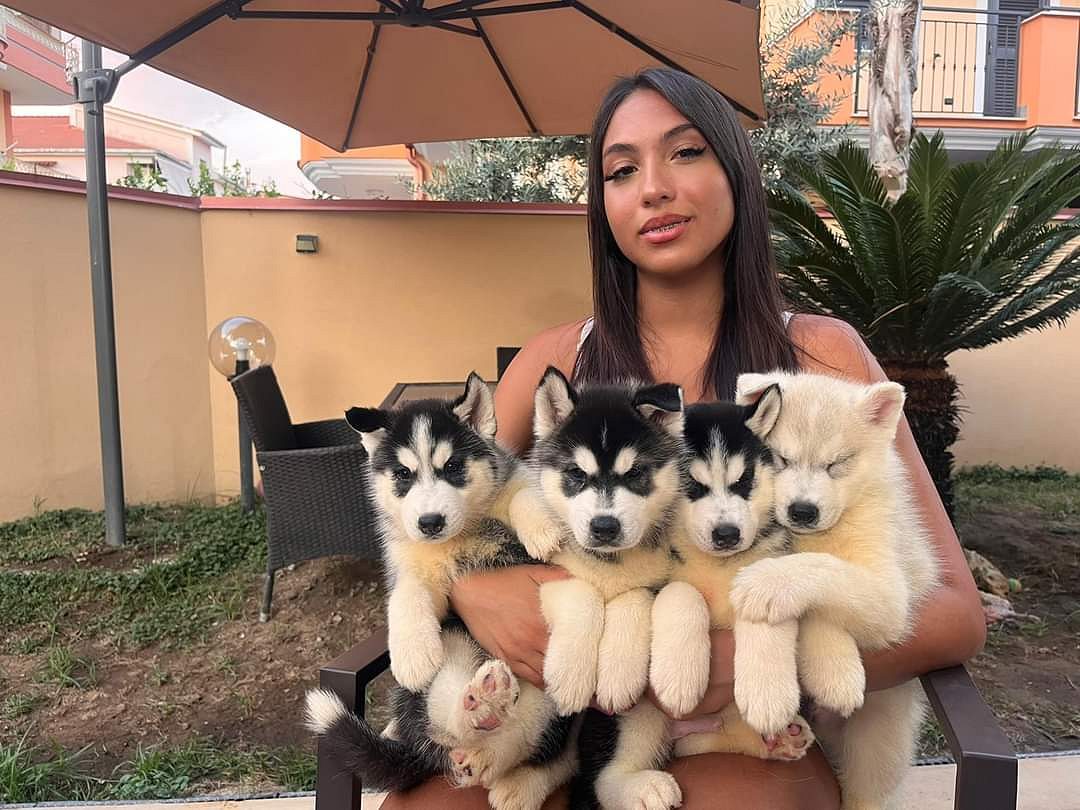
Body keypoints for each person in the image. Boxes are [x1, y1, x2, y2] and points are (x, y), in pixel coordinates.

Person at [381, 67, 985, 810]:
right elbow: (428, 509)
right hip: (556, 718)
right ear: (602, 204)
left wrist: (750, 658)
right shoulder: (554, 362)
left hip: (739, 727)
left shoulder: (820, 361)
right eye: (621, 170)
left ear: (736, 172)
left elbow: (954, 613)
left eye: (686, 152)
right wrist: (473, 590)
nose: (654, 189)